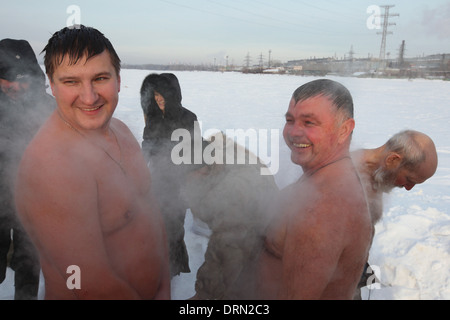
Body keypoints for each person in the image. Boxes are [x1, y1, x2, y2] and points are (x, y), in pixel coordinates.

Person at [14, 25, 170, 299]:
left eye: (99, 78)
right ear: (52, 86)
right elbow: (87, 282)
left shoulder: (121, 131)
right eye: (71, 81)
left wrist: (164, 287)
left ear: (118, 80)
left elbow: (152, 217)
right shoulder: (52, 165)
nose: (89, 97)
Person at [256, 79, 373, 299]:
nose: (294, 132)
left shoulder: (323, 209)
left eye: (309, 122)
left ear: (344, 129)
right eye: (290, 120)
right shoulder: (329, 180)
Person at [181, 132, 279, 299]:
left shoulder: (234, 191)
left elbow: (225, 252)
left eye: (185, 178)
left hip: (263, 257)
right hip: (251, 236)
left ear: (201, 172)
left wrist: (203, 295)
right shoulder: (220, 156)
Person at [0, 38, 54, 299]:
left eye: (22, 79)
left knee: (28, 268)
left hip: (34, 206)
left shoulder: (48, 109)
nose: (14, 86)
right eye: (6, 78)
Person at [140, 73, 199, 277]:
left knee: (173, 229)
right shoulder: (152, 118)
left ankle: (174, 271)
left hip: (178, 182)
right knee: (154, 227)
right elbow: (146, 148)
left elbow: (195, 153)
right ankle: (158, 269)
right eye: (155, 94)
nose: (158, 98)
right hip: (155, 180)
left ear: (173, 93)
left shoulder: (189, 118)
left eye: (162, 93)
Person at [352, 130, 438, 225]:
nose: (408, 188)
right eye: (409, 180)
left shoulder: (377, 176)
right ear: (392, 160)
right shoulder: (345, 173)